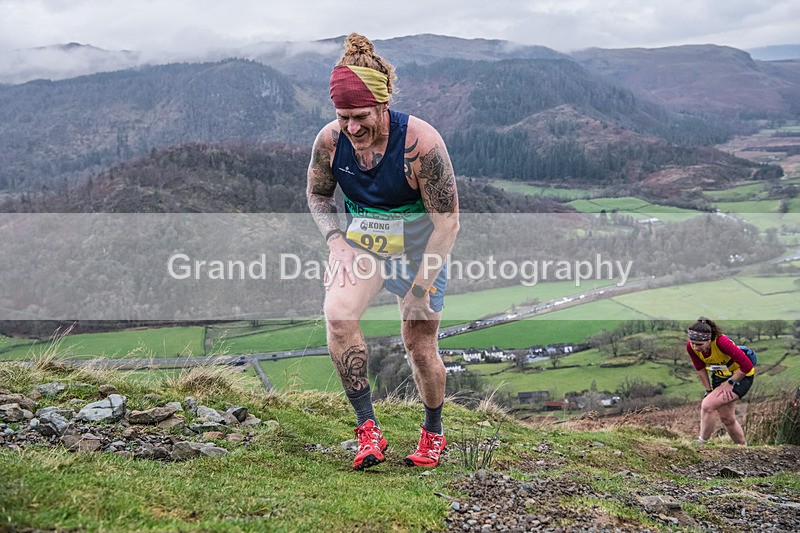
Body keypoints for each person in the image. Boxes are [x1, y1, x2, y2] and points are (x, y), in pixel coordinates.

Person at [306, 33, 459, 470]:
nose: (351, 127)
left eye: (360, 116)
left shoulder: (421, 144)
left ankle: (433, 431)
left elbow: (448, 221)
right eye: (343, 117)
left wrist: (420, 287)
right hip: (364, 247)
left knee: (419, 346)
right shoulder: (330, 142)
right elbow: (318, 196)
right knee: (338, 317)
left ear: (383, 104)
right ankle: (367, 430)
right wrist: (336, 242)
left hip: (420, 251)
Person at [686, 317, 755, 445]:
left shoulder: (722, 343)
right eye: (693, 343)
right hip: (720, 377)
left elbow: (747, 366)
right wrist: (708, 389)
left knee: (707, 405)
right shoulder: (691, 347)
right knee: (727, 418)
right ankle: (743, 449)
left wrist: (730, 383)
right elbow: (700, 368)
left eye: (699, 344)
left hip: (741, 376)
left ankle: (702, 442)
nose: (695, 347)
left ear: (709, 340)